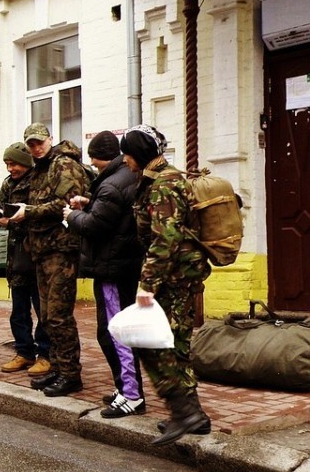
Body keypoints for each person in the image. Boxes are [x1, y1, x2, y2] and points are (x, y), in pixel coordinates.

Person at [120, 124, 212, 445]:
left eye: (127, 154)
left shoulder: (163, 186)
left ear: (139, 154)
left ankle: (184, 411)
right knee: (177, 345)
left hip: (174, 277)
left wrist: (146, 286)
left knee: (155, 345)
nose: (125, 161)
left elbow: (166, 239)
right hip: (182, 274)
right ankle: (193, 415)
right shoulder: (164, 179)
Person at [65, 130, 146, 417]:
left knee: (113, 331)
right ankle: (125, 387)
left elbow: (95, 225)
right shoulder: (127, 177)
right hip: (123, 264)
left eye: (94, 159)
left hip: (112, 267)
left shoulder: (111, 184)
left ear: (104, 157)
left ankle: (132, 395)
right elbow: (113, 215)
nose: (92, 164)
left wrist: (71, 215)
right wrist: (89, 205)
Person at [15, 123, 90, 397]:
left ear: (50, 139)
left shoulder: (63, 165)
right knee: (47, 316)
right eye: (31, 145)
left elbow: (67, 204)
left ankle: (71, 374)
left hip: (61, 250)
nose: (35, 148)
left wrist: (28, 213)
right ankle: (58, 370)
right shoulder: (40, 169)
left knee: (59, 316)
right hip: (43, 250)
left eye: (39, 142)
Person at [0, 142, 50, 376]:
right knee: (19, 310)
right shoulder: (8, 183)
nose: (10, 168)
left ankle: (45, 355)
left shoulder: (38, 180)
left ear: (24, 163)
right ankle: (24, 352)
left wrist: (15, 219)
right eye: (7, 164)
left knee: (41, 308)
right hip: (15, 255)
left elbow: (43, 213)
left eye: (13, 163)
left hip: (35, 253)